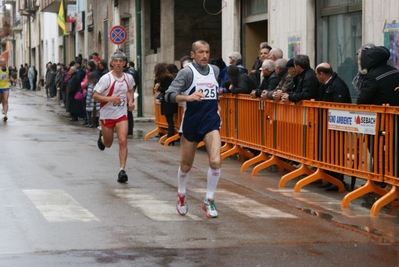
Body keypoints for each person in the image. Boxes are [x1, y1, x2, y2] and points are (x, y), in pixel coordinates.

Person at [165, 40, 221, 219]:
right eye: (200, 52)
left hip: (211, 122)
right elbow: (169, 95)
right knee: (186, 165)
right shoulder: (186, 73)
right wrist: (187, 98)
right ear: (193, 54)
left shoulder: (215, 70)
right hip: (191, 122)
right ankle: (181, 194)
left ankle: (209, 199)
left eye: (207, 52)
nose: (204, 55)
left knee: (215, 161)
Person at [93, 51, 135, 183]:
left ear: (124, 63)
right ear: (111, 63)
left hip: (121, 114)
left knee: (123, 140)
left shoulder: (128, 78)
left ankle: (122, 170)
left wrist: (131, 101)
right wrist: (110, 98)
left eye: (120, 61)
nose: (118, 64)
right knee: (109, 143)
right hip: (107, 114)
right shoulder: (106, 78)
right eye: (115, 61)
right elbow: (95, 96)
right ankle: (102, 138)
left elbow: (130, 89)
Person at [315, 62, 352, 191]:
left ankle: (337, 180)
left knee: (336, 152)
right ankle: (329, 177)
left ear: (322, 74)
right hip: (327, 124)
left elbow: (340, 104)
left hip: (335, 124)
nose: (316, 77)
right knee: (328, 152)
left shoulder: (337, 85)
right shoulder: (326, 85)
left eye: (317, 74)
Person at [154, 63, 178, 141]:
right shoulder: (166, 78)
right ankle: (170, 135)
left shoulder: (167, 78)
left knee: (170, 119)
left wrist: (159, 88)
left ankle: (170, 136)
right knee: (169, 119)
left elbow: (166, 89)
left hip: (168, 101)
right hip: (168, 100)